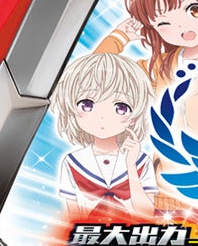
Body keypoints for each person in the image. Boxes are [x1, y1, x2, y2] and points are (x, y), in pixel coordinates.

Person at [49, 46, 155, 211]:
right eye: (87, 104)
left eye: (121, 107)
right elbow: (72, 215)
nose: (103, 117)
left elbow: (147, 213)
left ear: (134, 117)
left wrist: (131, 166)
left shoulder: (140, 160)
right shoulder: (72, 161)